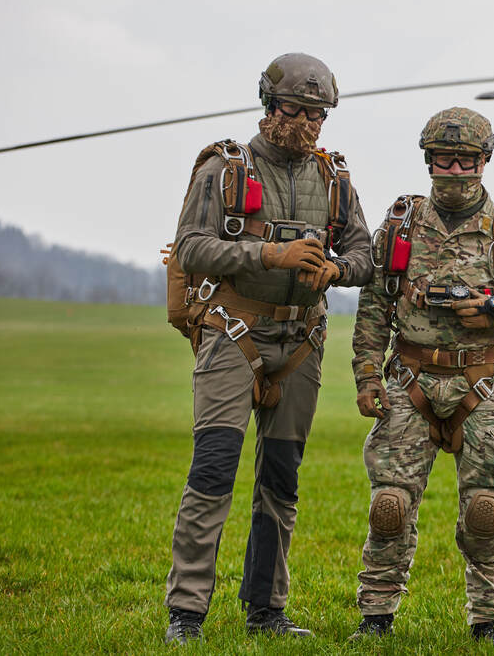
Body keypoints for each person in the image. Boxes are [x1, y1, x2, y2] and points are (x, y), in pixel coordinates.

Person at [163, 52, 373, 644]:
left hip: (301, 342)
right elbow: (191, 248)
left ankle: (267, 609)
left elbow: (364, 255)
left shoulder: (335, 179)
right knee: (214, 468)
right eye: (297, 111)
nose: (307, 125)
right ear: (269, 107)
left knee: (282, 477)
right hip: (234, 331)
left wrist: (335, 269)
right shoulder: (224, 170)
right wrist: (267, 255)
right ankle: (186, 613)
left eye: (318, 116)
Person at [349, 107, 494, 644]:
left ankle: (489, 621)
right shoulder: (401, 225)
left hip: (483, 381)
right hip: (410, 379)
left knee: (484, 510)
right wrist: (366, 376)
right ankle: (376, 617)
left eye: (466, 160)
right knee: (390, 507)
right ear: (427, 160)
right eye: (444, 159)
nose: (455, 170)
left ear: (485, 161)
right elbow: (376, 303)